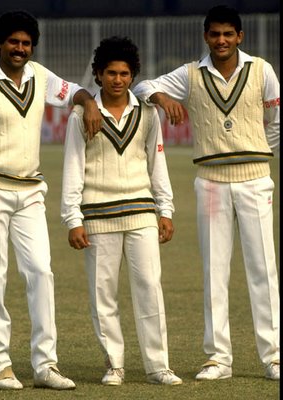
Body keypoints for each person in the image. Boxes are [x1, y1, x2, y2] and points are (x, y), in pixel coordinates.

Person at [0, 10, 102, 391]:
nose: (20, 49)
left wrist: (90, 103)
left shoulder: (40, 76)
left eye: (26, 43)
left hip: (31, 191)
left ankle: (45, 365)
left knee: (40, 272)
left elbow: (75, 92)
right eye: (13, 42)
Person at [133, 4, 280, 381]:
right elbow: (143, 85)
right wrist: (162, 99)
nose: (221, 40)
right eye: (214, 34)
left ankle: (274, 356)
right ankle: (218, 358)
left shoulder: (262, 70)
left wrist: (259, 156)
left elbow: (277, 126)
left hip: (254, 178)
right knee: (214, 270)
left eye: (228, 34)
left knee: (263, 269)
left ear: (240, 37)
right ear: (206, 36)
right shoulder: (190, 74)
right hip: (211, 180)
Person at [61, 36, 183, 386]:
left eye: (125, 73)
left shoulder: (146, 112)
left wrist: (166, 209)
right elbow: (73, 167)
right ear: (98, 75)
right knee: (104, 295)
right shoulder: (80, 115)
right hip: (97, 217)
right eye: (111, 73)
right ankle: (114, 364)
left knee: (149, 287)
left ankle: (158, 365)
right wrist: (73, 219)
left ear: (133, 75)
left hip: (141, 211)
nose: (118, 80)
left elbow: (157, 162)